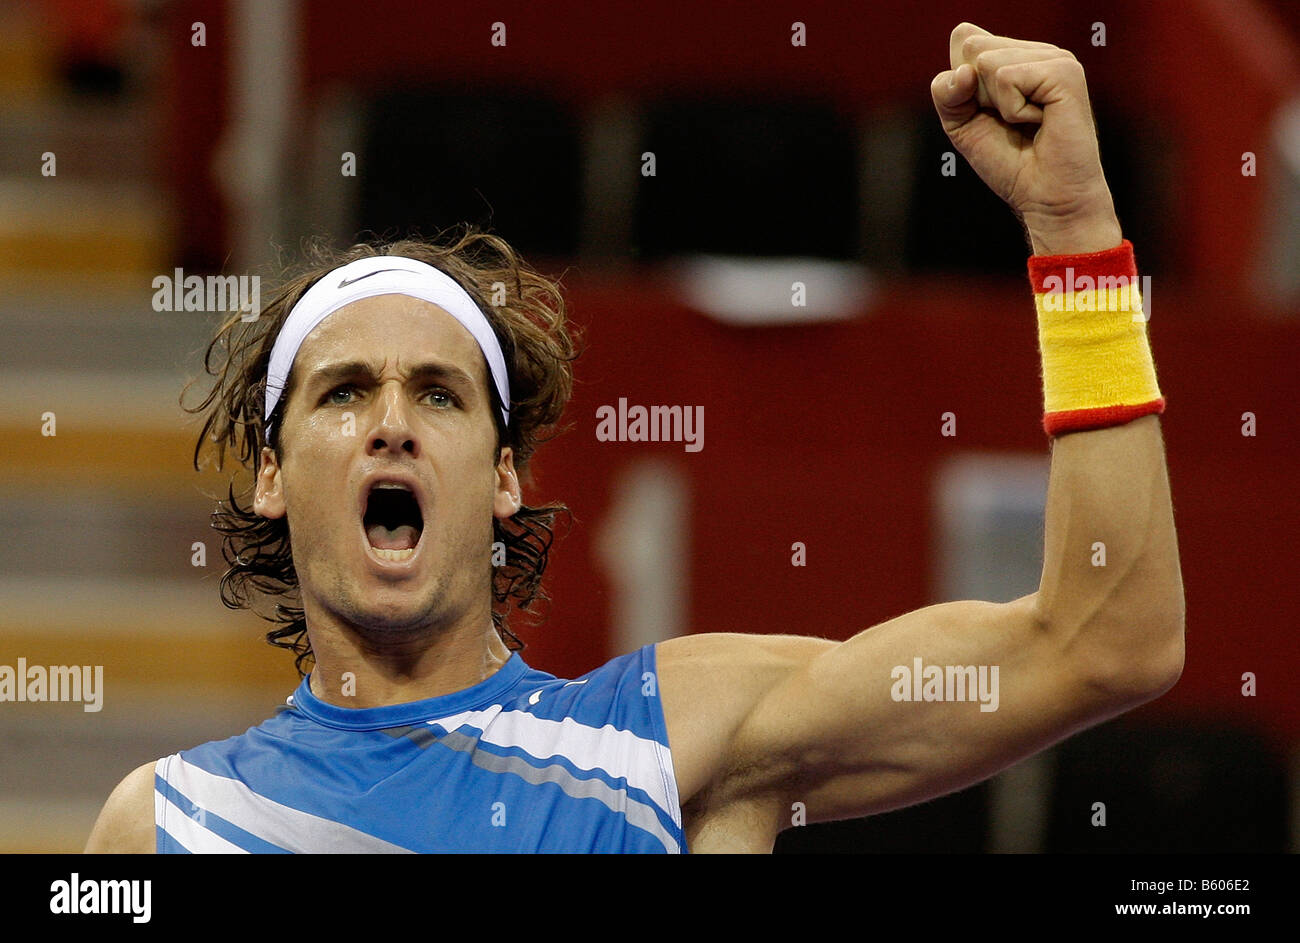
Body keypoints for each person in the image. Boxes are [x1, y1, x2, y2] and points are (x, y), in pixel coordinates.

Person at [85, 22, 1184, 853]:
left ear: (506, 474)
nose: (388, 426)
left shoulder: (675, 738)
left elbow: (1102, 642)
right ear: (271, 474)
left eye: (438, 394)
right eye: (340, 394)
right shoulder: (165, 825)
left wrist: (1076, 235)